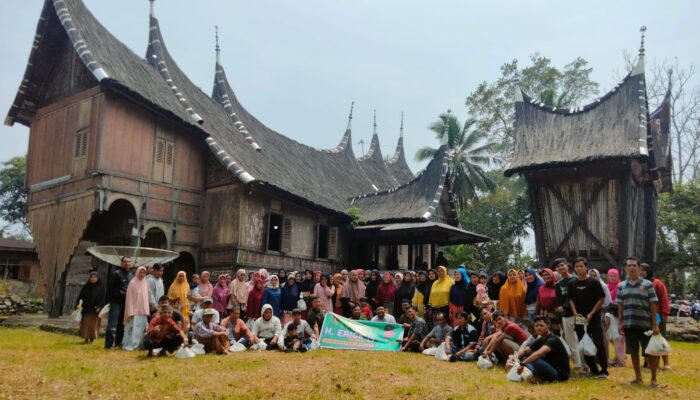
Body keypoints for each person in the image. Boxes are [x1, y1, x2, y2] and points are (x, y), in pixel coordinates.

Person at [617, 257, 660, 388]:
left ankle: (653, 379)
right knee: (633, 352)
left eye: (634, 265)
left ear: (639, 268)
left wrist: (654, 324)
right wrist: (620, 322)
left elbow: (653, 304)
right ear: (625, 268)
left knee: (651, 352)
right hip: (629, 324)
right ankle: (638, 377)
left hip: (646, 324)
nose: (631, 268)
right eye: (628, 265)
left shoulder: (647, 284)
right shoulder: (621, 285)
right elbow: (620, 305)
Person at [569, 257, 608, 378]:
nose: (579, 268)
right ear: (574, 269)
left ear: (586, 267)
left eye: (581, 266)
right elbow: (571, 300)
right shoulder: (572, 283)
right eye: (576, 266)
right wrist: (575, 312)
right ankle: (593, 369)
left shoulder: (594, 282)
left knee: (599, 343)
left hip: (594, 318)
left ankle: (604, 371)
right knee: (583, 344)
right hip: (579, 319)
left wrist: (591, 313)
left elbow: (601, 299)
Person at [514, 316, 570, 383]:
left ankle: (543, 378)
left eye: (541, 325)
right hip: (548, 367)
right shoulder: (542, 338)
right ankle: (536, 377)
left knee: (535, 358)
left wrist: (522, 364)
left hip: (560, 374)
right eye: (536, 326)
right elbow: (526, 350)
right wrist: (513, 358)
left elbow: (540, 353)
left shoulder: (553, 339)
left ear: (548, 326)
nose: (538, 328)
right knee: (523, 357)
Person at [640, 263, 671, 371]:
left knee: (660, 338)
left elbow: (664, 298)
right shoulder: (639, 284)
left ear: (648, 271)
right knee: (646, 339)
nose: (641, 272)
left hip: (658, 316)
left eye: (643, 270)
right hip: (644, 316)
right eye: (640, 270)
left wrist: (665, 313)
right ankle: (648, 361)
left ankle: (666, 362)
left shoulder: (657, 283)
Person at [553, 258, 583, 371]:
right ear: (556, 270)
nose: (561, 268)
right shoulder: (558, 284)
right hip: (566, 316)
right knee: (571, 340)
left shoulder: (576, 279)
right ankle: (577, 364)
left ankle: (587, 363)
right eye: (558, 267)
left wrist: (564, 306)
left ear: (567, 266)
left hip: (578, 314)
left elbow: (577, 297)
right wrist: (560, 312)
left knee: (581, 338)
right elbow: (559, 301)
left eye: (562, 265)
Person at [105, 256, 133, 349]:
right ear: (121, 263)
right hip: (116, 302)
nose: (127, 263)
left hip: (126, 303)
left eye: (129, 262)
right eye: (125, 262)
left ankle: (118, 343)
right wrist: (109, 301)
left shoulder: (131, 275)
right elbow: (110, 288)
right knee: (112, 324)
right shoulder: (116, 274)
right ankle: (108, 345)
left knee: (122, 324)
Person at [122, 266, 150, 351]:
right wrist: (130, 311)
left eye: (144, 272)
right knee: (133, 329)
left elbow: (145, 297)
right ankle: (132, 344)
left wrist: (146, 309)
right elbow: (129, 298)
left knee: (142, 329)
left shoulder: (145, 282)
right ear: (137, 272)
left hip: (143, 311)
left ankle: (140, 344)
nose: (142, 274)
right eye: (140, 272)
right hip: (134, 311)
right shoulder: (133, 283)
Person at [75, 271, 105, 343]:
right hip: (86, 309)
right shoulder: (86, 287)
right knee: (86, 323)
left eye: (95, 277)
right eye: (91, 277)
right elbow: (80, 297)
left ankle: (92, 337)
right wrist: (78, 305)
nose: (93, 279)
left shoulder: (101, 288)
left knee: (93, 324)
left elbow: (103, 298)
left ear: (98, 278)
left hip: (95, 310)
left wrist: (99, 306)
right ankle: (86, 337)